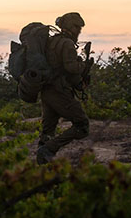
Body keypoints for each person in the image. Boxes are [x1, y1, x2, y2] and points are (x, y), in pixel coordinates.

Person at [36, 12, 91, 164]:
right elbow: (71, 68)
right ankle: (48, 150)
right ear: (69, 27)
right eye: (77, 27)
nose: (79, 31)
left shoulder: (51, 41)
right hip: (59, 92)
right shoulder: (66, 44)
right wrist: (83, 65)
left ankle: (42, 164)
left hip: (47, 91)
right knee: (82, 125)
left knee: (48, 130)